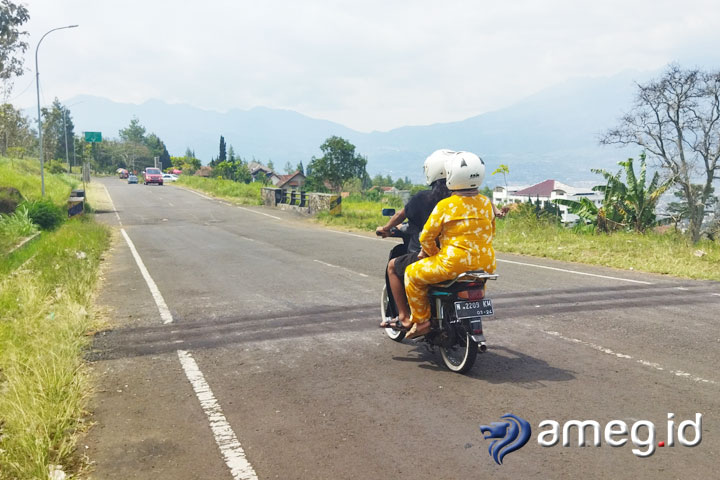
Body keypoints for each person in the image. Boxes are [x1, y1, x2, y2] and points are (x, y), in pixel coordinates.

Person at [404, 151, 496, 339]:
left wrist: (433, 253)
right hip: (486, 264)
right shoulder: (486, 203)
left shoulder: (446, 205)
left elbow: (426, 238)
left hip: (452, 264)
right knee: (477, 281)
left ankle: (421, 321)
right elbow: (491, 232)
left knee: (411, 274)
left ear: (451, 175)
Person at [377, 149, 453, 330]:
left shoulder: (422, 198)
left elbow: (400, 217)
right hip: (456, 255)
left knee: (393, 266)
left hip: (429, 255)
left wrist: (386, 228)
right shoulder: (460, 199)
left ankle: (403, 317)